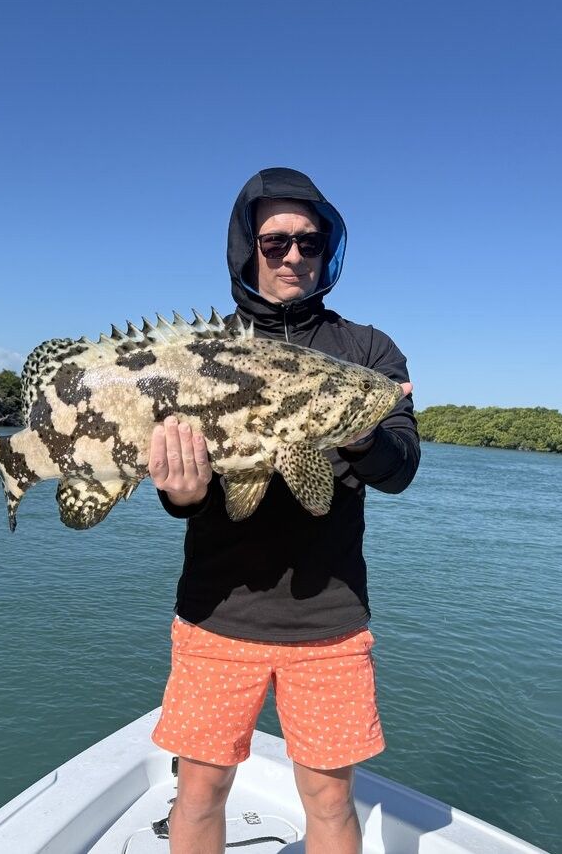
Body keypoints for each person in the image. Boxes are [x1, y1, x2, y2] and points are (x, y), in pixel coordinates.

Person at [148, 167, 420, 854]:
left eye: (309, 241)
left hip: (330, 618)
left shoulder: (368, 353)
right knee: (201, 787)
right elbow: (189, 489)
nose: (294, 256)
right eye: (275, 243)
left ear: (329, 247)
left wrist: (355, 423)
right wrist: (178, 493)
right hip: (218, 611)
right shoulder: (202, 351)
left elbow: (401, 468)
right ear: (248, 249)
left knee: (330, 797)